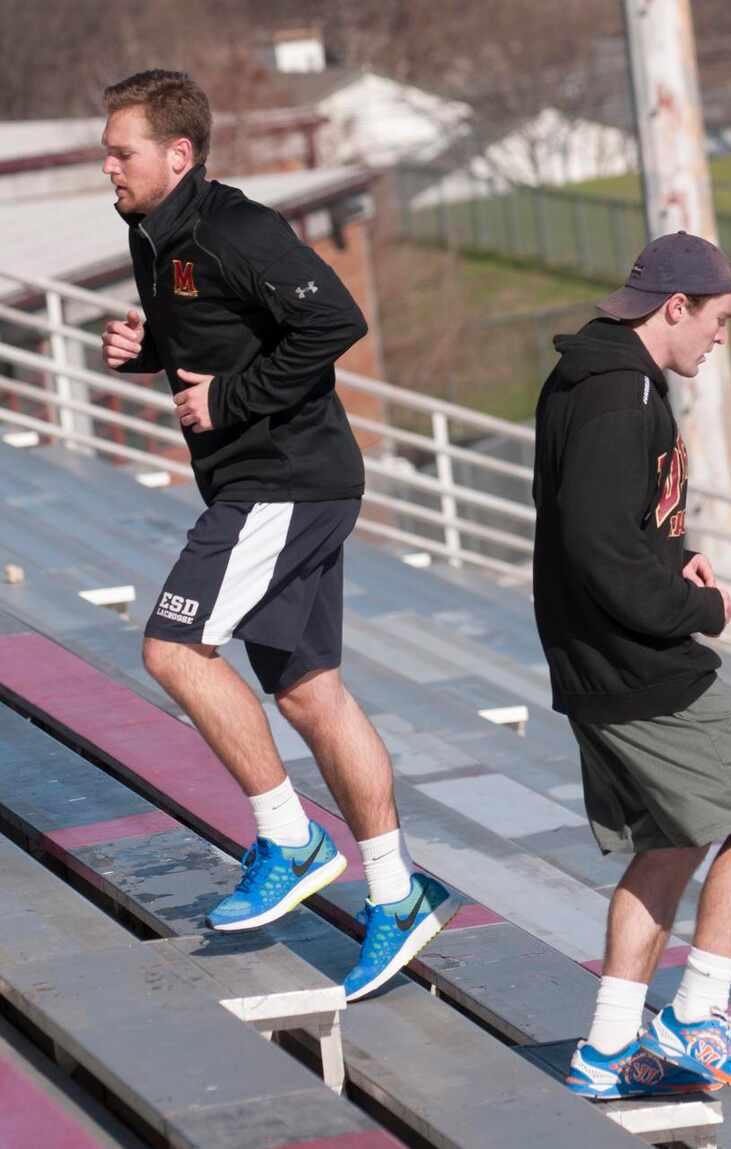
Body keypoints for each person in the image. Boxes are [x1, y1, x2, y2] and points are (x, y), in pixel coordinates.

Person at [100, 69, 458, 1001]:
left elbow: (334, 320)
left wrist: (229, 399)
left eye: (122, 151)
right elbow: (216, 336)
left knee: (174, 647)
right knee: (308, 691)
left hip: (284, 481)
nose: (110, 166)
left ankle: (290, 837)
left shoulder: (234, 227)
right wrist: (152, 353)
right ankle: (396, 894)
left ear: (178, 155)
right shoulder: (155, 236)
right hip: (267, 482)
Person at [532, 231, 731, 1099]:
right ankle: (697, 1013)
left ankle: (609, 1046)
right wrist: (702, 609)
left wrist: (671, 553)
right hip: (635, 664)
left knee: (673, 838)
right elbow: (598, 552)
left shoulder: (603, 374)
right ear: (675, 307)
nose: (722, 336)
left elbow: (617, 525)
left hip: (596, 659)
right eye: (718, 319)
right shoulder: (619, 394)